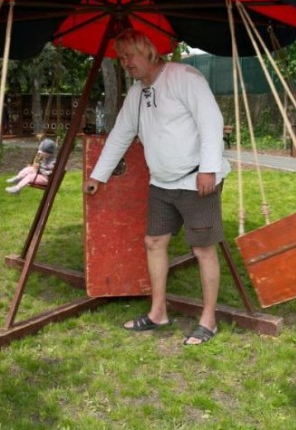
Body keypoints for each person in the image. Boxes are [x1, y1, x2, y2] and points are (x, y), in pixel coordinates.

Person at [82, 28, 231, 346]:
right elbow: (122, 132)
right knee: (154, 242)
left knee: (203, 249)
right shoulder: (137, 92)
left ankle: (209, 319)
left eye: (129, 55)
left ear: (149, 52)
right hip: (162, 183)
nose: (125, 63)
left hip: (195, 181)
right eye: (121, 57)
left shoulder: (184, 77)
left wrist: (209, 168)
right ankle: (158, 312)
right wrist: (98, 176)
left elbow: (211, 122)